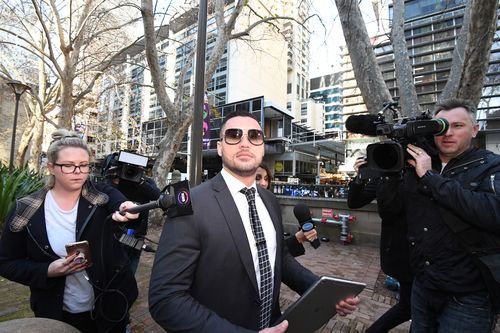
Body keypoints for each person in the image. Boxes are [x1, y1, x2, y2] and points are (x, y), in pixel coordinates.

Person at [148, 110, 359, 332]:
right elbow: (166, 299)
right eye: (233, 135)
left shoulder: (268, 199)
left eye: (254, 136)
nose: (245, 142)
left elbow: (280, 258)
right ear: (220, 147)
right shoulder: (191, 206)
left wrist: (321, 290)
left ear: (262, 147)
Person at [0, 129, 140, 333]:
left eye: (84, 165)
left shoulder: (99, 197)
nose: (78, 172)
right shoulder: (26, 209)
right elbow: (6, 263)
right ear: (51, 167)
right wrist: (48, 271)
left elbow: (121, 204)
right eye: (68, 165)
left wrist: (127, 209)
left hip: (110, 308)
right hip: (56, 313)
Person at [402, 98, 500, 332]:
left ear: (474, 130)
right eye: (442, 127)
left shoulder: (491, 165)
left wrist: (431, 177)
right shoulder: (420, 163)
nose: (448, 133)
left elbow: (494, 213)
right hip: (424, 285)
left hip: (469, 294)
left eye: (458, 126)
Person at [347, 157, 413, 333]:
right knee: (410, 305)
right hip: (402, 254)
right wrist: (360, 178)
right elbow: (354, 201)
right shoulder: (384, 175)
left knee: (415, 306)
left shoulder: (427, 170)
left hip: (430, 253)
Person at [101, 153, 162, 274]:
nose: (131, 170)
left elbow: (157, 195)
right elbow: (106, 195)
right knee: (112, 269)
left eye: (136, 167)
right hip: (115, 232)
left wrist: (141, 182)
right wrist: (115, 179)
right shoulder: (115, 180)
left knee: (131, 268)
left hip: (138, 233)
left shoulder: (145, 182)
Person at [256, 164, 318, 257]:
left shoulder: (271, 207)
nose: (263, 183)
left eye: (266, 178)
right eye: (257, 178)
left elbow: (276, 252)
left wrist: (299, 237)